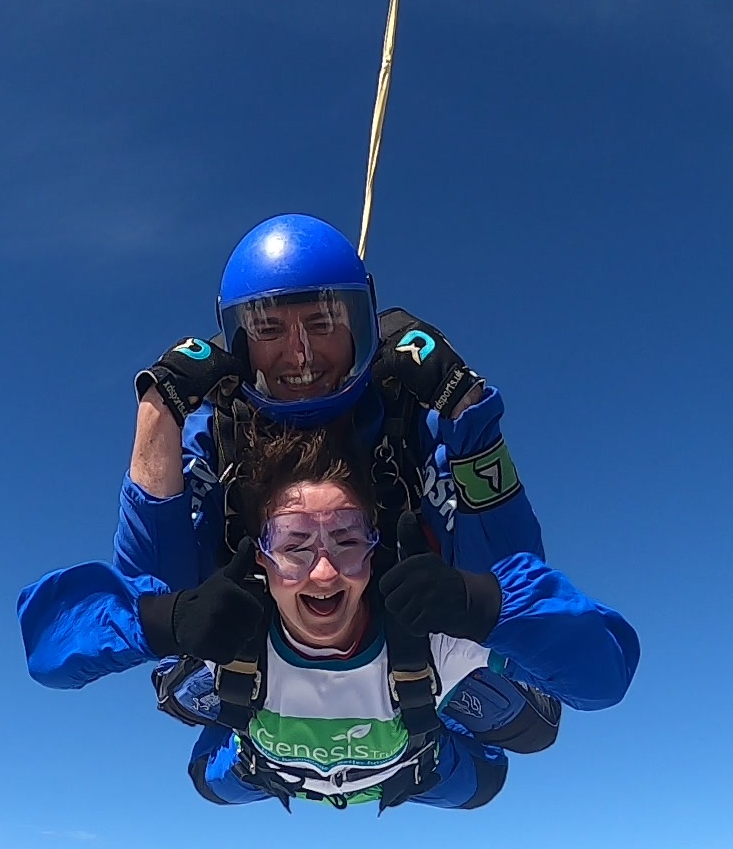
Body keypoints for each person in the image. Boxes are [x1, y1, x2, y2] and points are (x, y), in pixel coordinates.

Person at [18, 424, 638, 811]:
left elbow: (603, 674)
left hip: (414, 767)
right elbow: (47, 649)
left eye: (346, 539)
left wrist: (480, 605)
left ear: (376, 549)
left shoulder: (426, 633)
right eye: (293, 543)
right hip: (262, 767)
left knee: (514, 754)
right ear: (260, 557)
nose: (322, 571)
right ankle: (206, 699)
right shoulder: (231, 628)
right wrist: (167, 619)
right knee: (205, 778)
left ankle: (475, 706)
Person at [120, 213, 545, 594]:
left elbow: (509, 585)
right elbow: (151, 599)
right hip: (259, 669)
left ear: (362, 324)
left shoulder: (409, 414)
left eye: (322, 323)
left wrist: (466, 407)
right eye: (268, 329)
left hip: (419, 666)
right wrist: (159, 408)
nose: (300, 354)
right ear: (239, 344)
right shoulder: (217, 428)